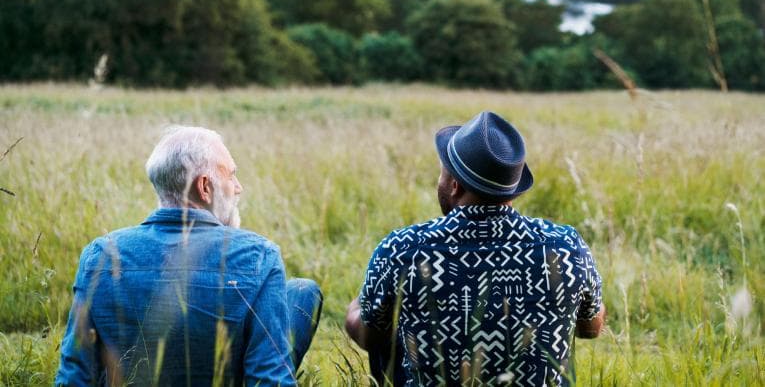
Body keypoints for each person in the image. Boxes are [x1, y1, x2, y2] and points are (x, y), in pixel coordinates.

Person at [345, 111, 605, 386]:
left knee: (390, 326)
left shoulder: (403, 248)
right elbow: (591, 328)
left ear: (454, 186)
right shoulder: (565, 246)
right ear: (512, 189)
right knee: (559, 331)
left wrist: (357, 307)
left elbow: (368, 335)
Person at [56, 126, 322, 386]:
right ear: (204, 187)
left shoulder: (100, 254)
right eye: (231, 176)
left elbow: (74, 375)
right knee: (301, 293)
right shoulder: (260, 256)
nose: (238, 187)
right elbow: (271, 379)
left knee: (300, 291)